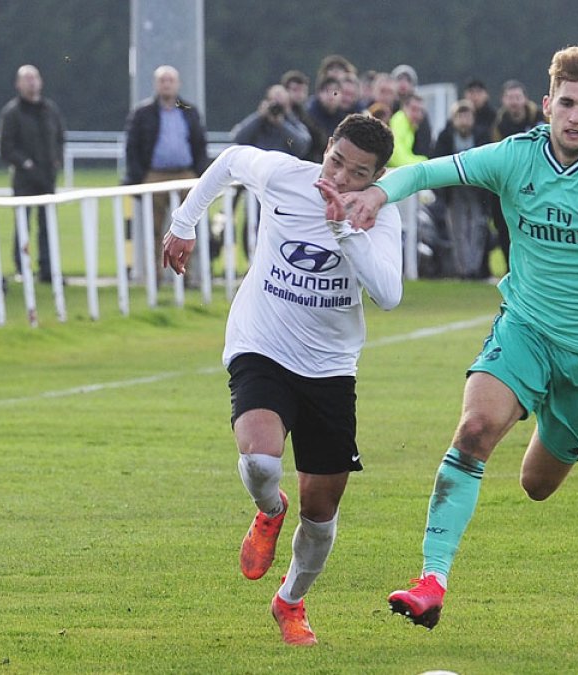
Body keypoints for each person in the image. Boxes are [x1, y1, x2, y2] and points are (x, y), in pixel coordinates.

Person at [338, 45, 578, 630]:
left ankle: (551, 420)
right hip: (525, 327)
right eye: (566, 104)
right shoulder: (515, 156)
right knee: (475, 429)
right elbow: (430, 171)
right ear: (547, 102)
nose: (574, 117)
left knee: (536, 485)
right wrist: (378, 193)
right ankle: (432, 580)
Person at [159, 114, 401, 647]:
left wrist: (344, 228)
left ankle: (289, 601)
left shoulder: (381, 215)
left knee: (321, 511)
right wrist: (184, 222)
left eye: (357, 173)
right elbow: (228, 162)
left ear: (377, 176)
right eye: (335, 161)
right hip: (262, 344)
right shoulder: (284, 175)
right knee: (261, 459)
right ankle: (269, 509)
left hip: (331, 367)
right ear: (327, 149)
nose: (338, 178)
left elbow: (388, 293)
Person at [123, 65, 209, 280]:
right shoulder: (142, 113)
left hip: (186, 175)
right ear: (156, 84)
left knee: (190, 226)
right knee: (153, 230)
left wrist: (200, 174)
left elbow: (200, 144)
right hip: (154, 176)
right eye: (163, 80)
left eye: (170, 80)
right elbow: (132, 146)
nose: (167, 84)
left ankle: (190, 278)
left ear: (177, 84)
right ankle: (155, 280)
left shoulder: (190, 111)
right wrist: (139, 177)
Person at [0, 65, 65, 282]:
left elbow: (60, 137)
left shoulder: (50, 109)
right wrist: (24, 163)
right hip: (24, 177)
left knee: (47, 225)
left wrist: (56, 161)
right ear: (18, 84)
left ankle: (48, 269)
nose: (31, 82)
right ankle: (22, 268)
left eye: (34, 78)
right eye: (26, 79)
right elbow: (5, 147)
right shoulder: (12, 112)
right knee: (22, 223)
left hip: (47, 175)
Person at [428, 99, 491, 278]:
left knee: (478, 228)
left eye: (467, 115)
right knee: (458, 230)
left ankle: (474, 268)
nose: (464, 119)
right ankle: (462, 270)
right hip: (453, 190)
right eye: (460, 115)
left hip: (478, 189)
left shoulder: (481, 135)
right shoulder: (445, 136)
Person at [489, 79, 546, 271]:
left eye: (517, 97)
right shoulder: (499, 124)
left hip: (539, 180)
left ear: (525, 99)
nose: (514, 102)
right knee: (504, 225)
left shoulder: (540, 117)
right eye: (510, 98)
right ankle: (510, 268)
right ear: (503, 100)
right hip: (509, 182)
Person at [231, 85, 311, 159]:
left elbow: (301, 147)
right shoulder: (258, 123)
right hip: (259, 163)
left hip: (283, 164)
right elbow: (238, 138)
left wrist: (282, 124)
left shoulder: (292, 121)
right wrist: (259, 116)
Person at [387, 93, 429, 167]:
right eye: (414, 109)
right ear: (404, 108)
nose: (418, 114)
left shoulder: (411, 126)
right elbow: (396, 157)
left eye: (421, 111)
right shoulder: (399, 120)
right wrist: (423, 162)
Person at [464, 79, 496, 144]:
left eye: (479, 92)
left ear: (486, 95)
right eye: (471, 92)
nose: (475, 96)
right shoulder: (457, 116)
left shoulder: (494, 117)